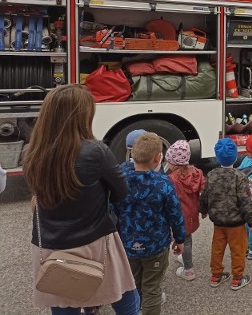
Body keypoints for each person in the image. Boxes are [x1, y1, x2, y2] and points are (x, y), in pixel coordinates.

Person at [23, 84, 139, 315]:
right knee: (126, 300)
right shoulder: (96, 151)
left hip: (48, 245)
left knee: (64, 303)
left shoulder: (32, 152)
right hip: (94, 243)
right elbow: (121, 192)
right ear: (82, 116)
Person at [112, 132, 185, 314]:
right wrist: (179, 238)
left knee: (132, 285)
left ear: (131, 154)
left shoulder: (119, 181)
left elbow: (111, 211)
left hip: (127, 245)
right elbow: (174, 213)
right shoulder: (163, 183)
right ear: (158, 158)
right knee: (152, 288)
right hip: (156, 246)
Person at [200, 138, 252, 290]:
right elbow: (245, 201)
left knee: (217, 248)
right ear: (236, 156)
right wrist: (251, 221)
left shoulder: (211, 175)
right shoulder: (240, 176)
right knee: (238, 250)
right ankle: (237, 278)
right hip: (236, 223)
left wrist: (203, 210)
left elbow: (205, 195)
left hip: (218, 222)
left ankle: (216, 275)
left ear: (217, 157)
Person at [165, 140, 206, 281]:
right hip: (191, 214)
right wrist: (203, 208)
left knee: (175, 239)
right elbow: (204, 191)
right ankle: (184, 258)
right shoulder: (197, 173)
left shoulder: (171, 179)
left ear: (174, 163)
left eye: (169, 161)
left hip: (177, 216)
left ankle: (188, 270)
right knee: (187, 239)